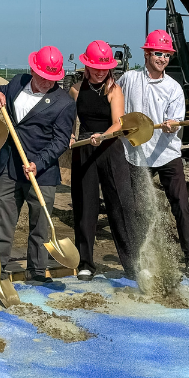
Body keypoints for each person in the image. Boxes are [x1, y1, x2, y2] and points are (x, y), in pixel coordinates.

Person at [0, 46, 76, 282]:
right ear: (33, 70)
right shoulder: (18, 82)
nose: (47, 82)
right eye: (43, 76)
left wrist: (38, 163)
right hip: (10, 168)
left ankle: (36, 271)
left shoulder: (64, 103)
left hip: (42, 173)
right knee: (3, 225)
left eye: (52, 78)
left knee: (40, 227)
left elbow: (60, 141)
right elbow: (0, 91)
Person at [119, 30, 189, 278]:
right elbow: (115, 102)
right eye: (158, 53)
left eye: (166, 55)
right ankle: (138, 260)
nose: (162, 59)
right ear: (146, 53)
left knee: (181, 206)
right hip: (136, 154)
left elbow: (175, 121)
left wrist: (172, 125)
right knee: (135, 209)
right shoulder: (129, 79)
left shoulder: (173, 88)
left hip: (166, 153)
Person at [69, 40, 136, 280]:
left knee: (120, 204)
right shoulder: (76, 89)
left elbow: (119, 122)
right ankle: (85, 263)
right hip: (85, 148)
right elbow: (71, 120)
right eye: (96, 67)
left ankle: (132, 263)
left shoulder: (114, 90)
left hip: (110, 147)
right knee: (85, 206)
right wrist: (72, 136)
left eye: (104, 68)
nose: (100, 72)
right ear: (87, 65)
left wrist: (103, 136)